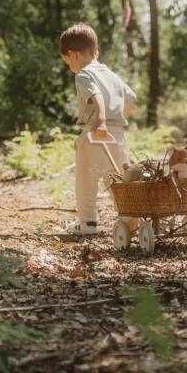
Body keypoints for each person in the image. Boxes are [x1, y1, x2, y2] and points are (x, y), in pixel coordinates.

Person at [59, 23, 136, 235]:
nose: (69, 66)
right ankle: (128, 216)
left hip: (94, 135)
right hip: (117, 136)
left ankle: (88, 224)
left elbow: (96, 98)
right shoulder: (112, 74)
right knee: (117, 180)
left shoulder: (84, 74)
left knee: (86, 180)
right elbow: (131, 98)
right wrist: (115, 121)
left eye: (67, 62)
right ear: (96, 51)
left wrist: (101, 122)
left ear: (73, 54)